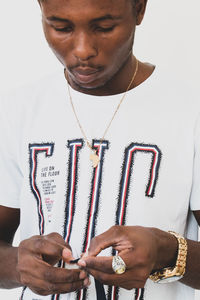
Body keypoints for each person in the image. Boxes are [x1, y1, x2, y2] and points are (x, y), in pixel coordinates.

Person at [0, 0, 200, 299]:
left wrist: (167, 252)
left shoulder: (189, 112)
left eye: (104, 27)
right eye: (61, 27)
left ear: (139, 9)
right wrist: (17, 266)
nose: (82, 50)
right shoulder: (16, 111)